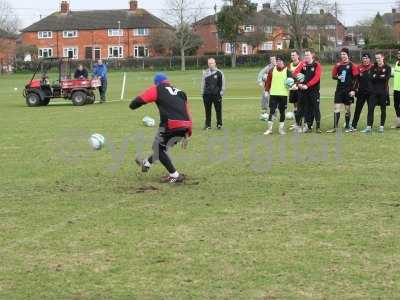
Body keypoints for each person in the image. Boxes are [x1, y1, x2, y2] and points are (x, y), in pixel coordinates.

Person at [130, 73, 192, 183]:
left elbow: (139, 100)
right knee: (161, 148)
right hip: (185, 125)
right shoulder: (181, 92)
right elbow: (187, 112)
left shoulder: (157, 88)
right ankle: (147, 163)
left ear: (156, 83)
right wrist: (188, 132)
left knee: (157, 149)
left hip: (171, 124)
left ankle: (175, 175)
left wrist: (132, 105)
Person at [327, 48, 359, 133]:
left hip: (348, 91)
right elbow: (333, 76)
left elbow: (356, 79)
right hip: (339, 90)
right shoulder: (338, 65)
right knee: (336, 108)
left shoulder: (352, 65)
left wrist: (353, 90)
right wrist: (338, 77)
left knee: (347, 109)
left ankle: (348, 126)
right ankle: (335, 127)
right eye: (341, 54)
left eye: (344, 54)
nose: (343, 56)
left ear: (348, 55)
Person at [292, 49, 322, 133]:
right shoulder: (303, 64)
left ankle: (318, 127)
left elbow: (316, 78)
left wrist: (307, 85)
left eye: (308, 55)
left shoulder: (317, 65)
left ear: (312, 55)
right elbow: (294, 74)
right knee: (304, 109)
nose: (306, 57)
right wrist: (299, 84)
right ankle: (306, 127)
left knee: (315, 108)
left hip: (314, 91)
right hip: (303, 91)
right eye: (305, 55)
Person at [361, 53, 391, 133]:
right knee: (370, 109)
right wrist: (380, 76)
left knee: (383, 109)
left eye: (379, 58)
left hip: (383, 92)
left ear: (383, 58)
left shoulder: (388, 67)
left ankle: (381, 126)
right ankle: (368, 127)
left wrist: (376, 76)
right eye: (376, 58)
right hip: (373, 92)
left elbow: (386, 78)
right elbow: (371, 78)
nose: (377, 60)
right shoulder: (373, 67)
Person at [263, 55, 291, 135]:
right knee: (272, 111)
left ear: (283, 62)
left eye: (279, 61)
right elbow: (268, 81)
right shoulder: (272, 70)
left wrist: (293, 85)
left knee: (282, 112)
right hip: (274, 94)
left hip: (283, 95)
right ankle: (269, 129)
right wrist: (266, 91)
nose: (278, 62)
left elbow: (293, 80)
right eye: (277, 61)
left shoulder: (287, 70)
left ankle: (281, 129)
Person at [201, 58, 225, 130]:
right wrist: (202, 92)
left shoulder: (219, 73)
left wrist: (221, 92)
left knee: (218, 110)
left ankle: (219, 124)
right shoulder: (205, 73)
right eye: (209, 63)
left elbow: (223, 83)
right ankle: (208, 125)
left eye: (212, 63)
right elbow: (203, 83)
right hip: (207, 95)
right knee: (207, 110)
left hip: (216, 95)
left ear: (215, 63)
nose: (210, 65)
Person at [351, 53, 373, 131]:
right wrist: (353, 90)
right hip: (361, 92)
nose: (365, 60)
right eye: (364, 58)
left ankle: (369, 126)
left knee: (370, 109)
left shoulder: (373, 67)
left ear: (369, 59)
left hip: (371, 93)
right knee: (358, 109)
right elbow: (355, 80)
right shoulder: (358, 67)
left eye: (366, 58)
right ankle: (353, 126)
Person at [257, 56, 277, 120]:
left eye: (274, 59)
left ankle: (274, 114)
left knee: (274, 100)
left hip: (275, 86)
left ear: (276, 60)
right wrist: (260, 80)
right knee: (264, 98)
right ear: (270, 60)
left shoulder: (278, 67)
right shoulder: (268, 67)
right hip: (267, 86)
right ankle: (264, 112)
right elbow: (261, 73)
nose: (273, 60)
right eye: (271, 59)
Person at [288, 51, 301, 129]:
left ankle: (305, 123)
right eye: (291, 55)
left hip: (300, 88)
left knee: (301, 106)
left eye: (294, 55)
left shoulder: (302, 64)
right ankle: (297, 123)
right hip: (292, 88)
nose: (292, 56)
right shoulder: (290, 65)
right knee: (295, 106)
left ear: (298, 56)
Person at [392, 50, 400, 128]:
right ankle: (398, 123)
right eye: (398, 53)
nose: (399, 55)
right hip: (396, 89)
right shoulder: (397, 63)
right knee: (396, 105)